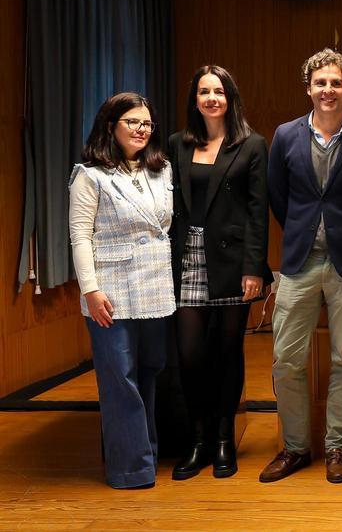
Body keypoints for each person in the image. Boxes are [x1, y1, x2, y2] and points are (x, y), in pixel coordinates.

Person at [260, 48, 342, 484]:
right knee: (286, 360)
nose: (328, 90)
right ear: (309, 88)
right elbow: (279, 197)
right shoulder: (285, 135)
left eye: (336, 83)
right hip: (299, 262)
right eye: (321, 83)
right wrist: (303, 230)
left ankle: (336, 446)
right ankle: (295, 447)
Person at [167, 65, 272, 481]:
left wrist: (255, 268)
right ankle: (199, 440)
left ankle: (225, 439)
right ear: (195, 99)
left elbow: (257, 211)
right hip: (187, 258)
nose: (212, 98)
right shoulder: (178, 143)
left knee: (227, 355)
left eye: (219, 91)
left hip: (233, 262)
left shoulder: (252, 144)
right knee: (191, 356)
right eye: (204, 91)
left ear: (231, 98)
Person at [69, 92, 175, 489]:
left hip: (155, 287)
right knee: (119, 380)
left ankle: (143, 456)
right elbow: (80, 236)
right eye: (132, 122)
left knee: (149, 373)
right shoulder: (89, 174)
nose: (141, 129)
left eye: (147, 123)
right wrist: (91, 290)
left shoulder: (160, 170)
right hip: (110, 291)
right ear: (111, 125)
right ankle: (129, 469)